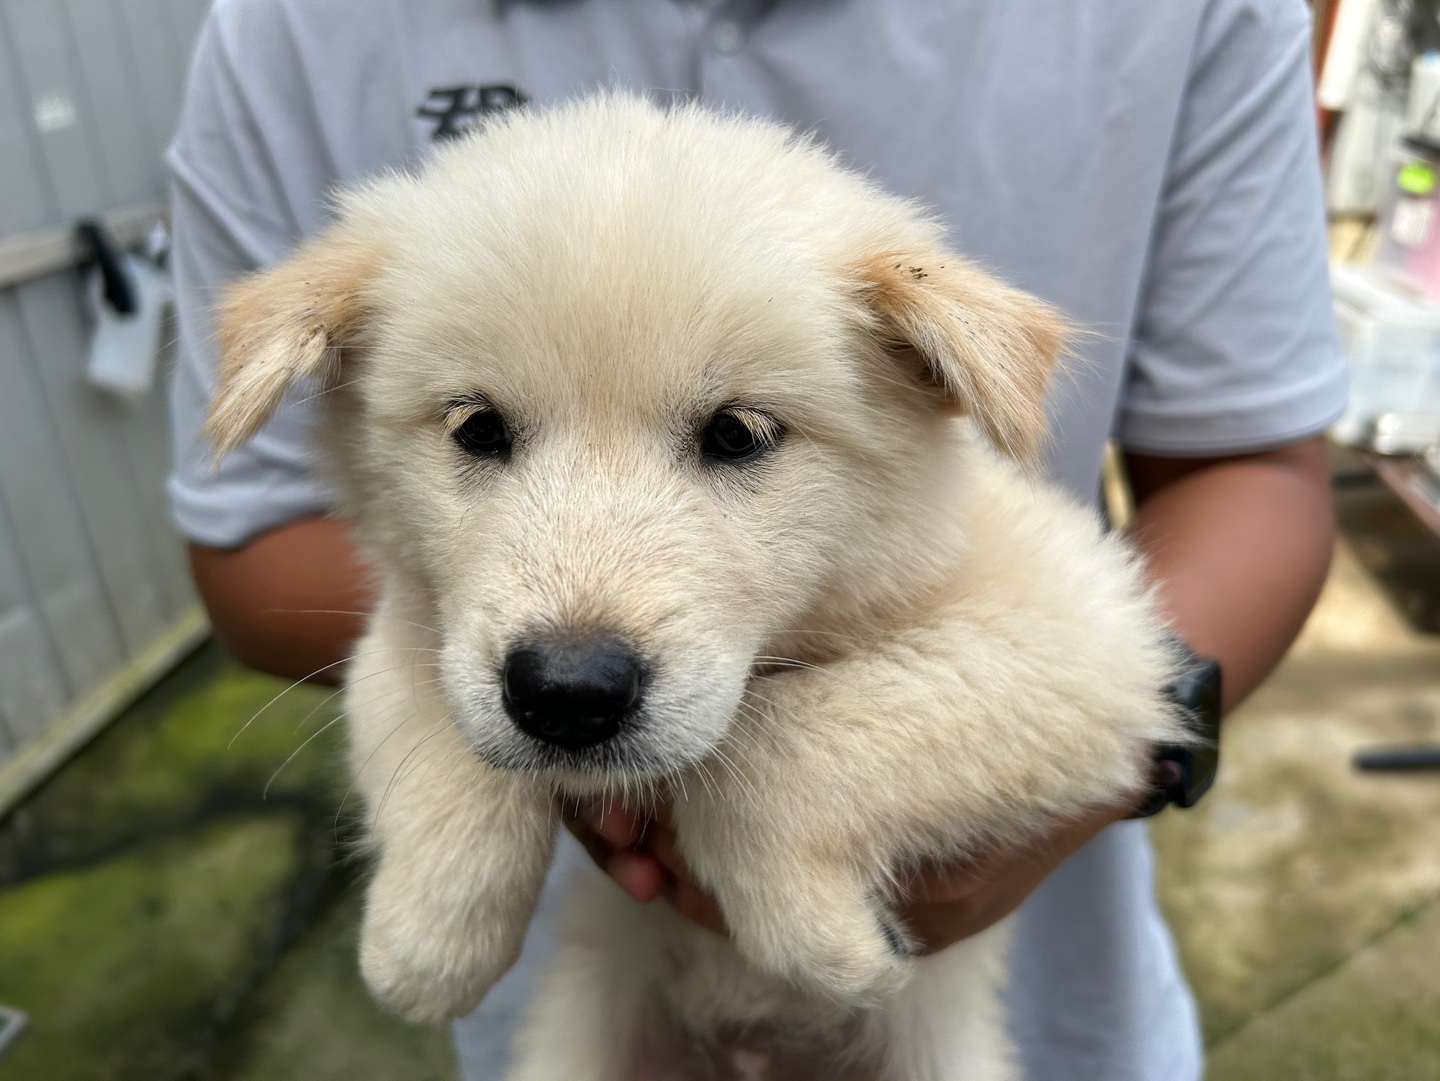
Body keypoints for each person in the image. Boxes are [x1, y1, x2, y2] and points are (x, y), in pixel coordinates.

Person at [167, 1, 1345, 1078]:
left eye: (735, 437)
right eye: (481, 431)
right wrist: (447, 843)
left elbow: (1137, 634)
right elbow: (288, 565)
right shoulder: (292, 28)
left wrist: (800, 793)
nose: (573, 621)